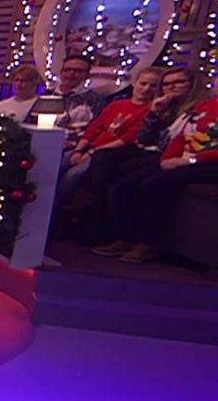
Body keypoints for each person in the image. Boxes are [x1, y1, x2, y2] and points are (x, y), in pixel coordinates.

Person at [95, 75, 218, 264]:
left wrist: (190, 160)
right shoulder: (205, 106)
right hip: (183, 158)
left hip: (208, 163)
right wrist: (168, 159)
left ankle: (149, 243)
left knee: (156, 184)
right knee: (127, 181)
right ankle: (125, 238)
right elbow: (182, 137)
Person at [81, 67, 201, 250]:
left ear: (192, 85)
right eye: (167, 84)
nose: (171, 87)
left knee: (135, 182)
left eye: (178, 82)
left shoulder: (199, 109)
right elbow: (145, 139)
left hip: (179, 157)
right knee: (104, 160)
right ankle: (100, 227)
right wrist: (154, 113)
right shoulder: (164, 107)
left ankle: (143, 242)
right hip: (153, 152)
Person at [56, 67, 163, 215]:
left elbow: (128, 139)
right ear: (135, 83)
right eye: (143, 83)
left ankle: (54, 211)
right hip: (89, 147)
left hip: (108, 153)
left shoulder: (150, 111)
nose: (146, 89)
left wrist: (92, 152)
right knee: (56, 165)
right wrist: (79, 150)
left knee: (72, 176)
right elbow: (94, 129)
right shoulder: (116, 105)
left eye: (153, 86)